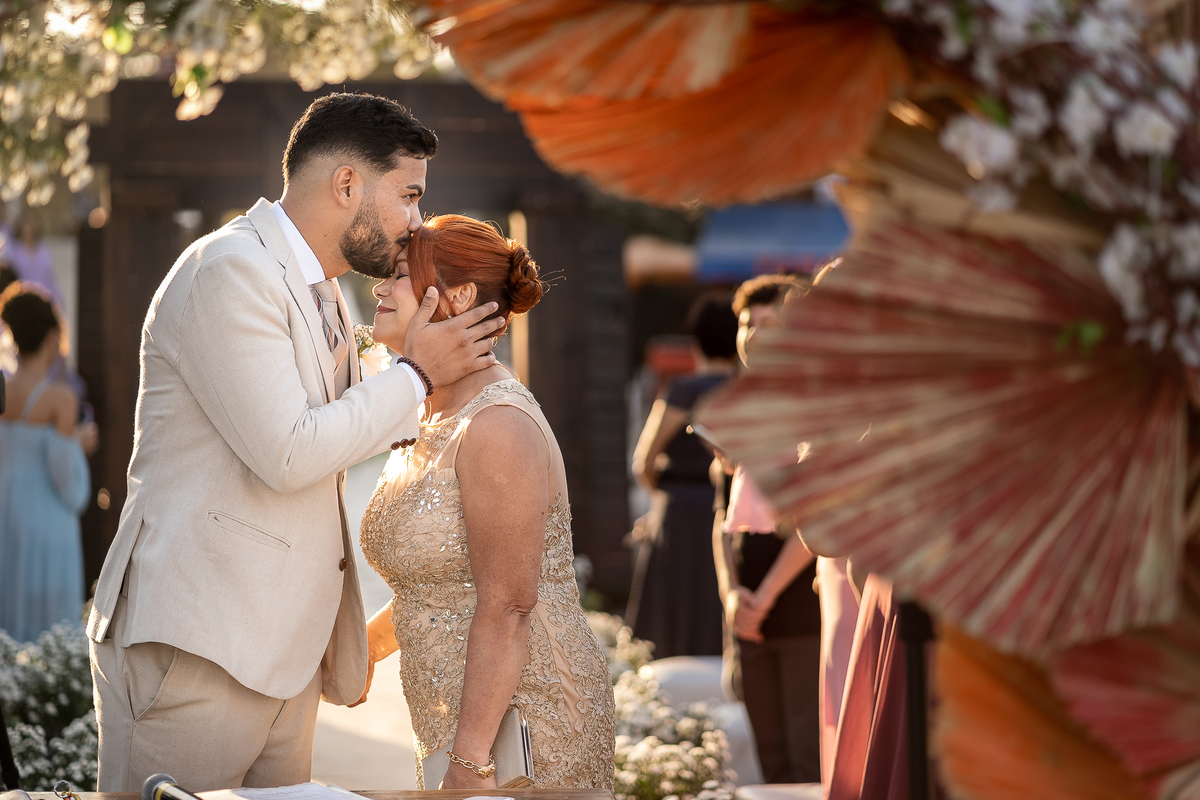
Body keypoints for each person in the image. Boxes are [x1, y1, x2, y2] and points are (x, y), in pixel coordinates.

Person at [86, 93, 506, 792]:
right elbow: (288, 451)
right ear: (346, 184)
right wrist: (416, 374)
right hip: (198, 651)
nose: (416, 223)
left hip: (283, 657)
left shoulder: (327, 296)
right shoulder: (230, 271)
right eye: (408, 196)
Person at [357, 215, 616, 790]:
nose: (379, 288)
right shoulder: (429, 413)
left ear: (460, 296)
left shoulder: (497, 424)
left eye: (399, 274)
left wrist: (468, 764)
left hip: (527, 729)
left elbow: (509, 605)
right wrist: (362, 651)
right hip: (463, 721)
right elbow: (439, 581)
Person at [713, 274, 823, 784]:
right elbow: (722, 518)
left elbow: (813, 516)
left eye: (769, 323)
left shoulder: (813, 404)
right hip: (748, 609)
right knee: (771, 762)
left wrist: (767, 596)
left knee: (808, 758)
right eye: (746, 323)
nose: (754, 333)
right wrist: (734, 597)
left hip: (800, 603)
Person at [628, 294, 738, 658]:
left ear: (698, 340)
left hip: (679, 512)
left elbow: (643, 461)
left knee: (670, 626)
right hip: (731, 510)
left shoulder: (684, 390)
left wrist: (662, 497)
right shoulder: (746, 389)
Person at [0, 284, 98, 642]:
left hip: (5, 511)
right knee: (49, 626)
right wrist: (78, 445)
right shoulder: (60, 399)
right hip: (45, 516)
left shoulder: (3, 389)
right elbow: (69, 485)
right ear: (52, 336)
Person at [4, 215, 63, 309]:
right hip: (22, 301)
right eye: (26, 226)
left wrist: (57, 299)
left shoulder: (43, 249)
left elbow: (49, 276)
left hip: (44, 298)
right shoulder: (13, 251)